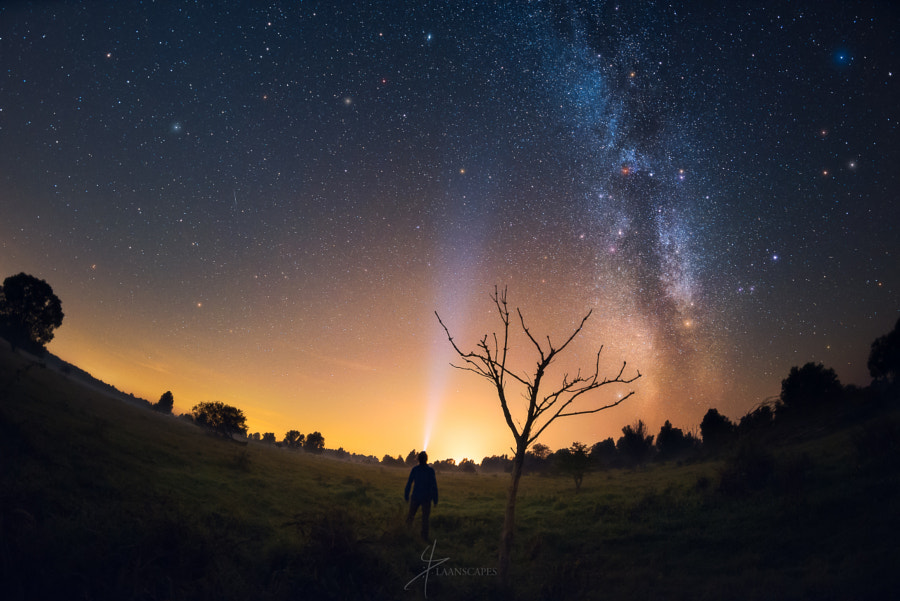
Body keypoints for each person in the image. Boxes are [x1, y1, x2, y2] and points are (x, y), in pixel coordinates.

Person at [404, 451, 438, 540]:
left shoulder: (415, 469)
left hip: (415, 496)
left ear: (418, 459)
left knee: (410, 517)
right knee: (425, 519)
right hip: (426, 498)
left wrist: (406, 495)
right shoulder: (430, 471)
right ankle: (424, 538)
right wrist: (435, 500)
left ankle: (407, 534)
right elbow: (434, 486)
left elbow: (409, 483)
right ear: (426, 459)